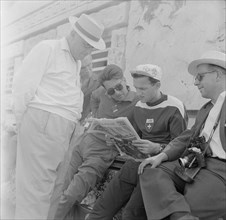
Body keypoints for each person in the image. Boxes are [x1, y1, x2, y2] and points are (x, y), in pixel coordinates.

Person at [12, 13, 106, 219]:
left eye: (92, 47)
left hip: (66, 128)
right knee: (34, 189)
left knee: (56, 187)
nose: (88, 50)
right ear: (72, 34)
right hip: (43, 121)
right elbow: (22, 86)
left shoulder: (77, 62)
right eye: (86, 44)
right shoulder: (48, 48)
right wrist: (22, 122)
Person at [86, 64, 188, 220]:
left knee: (130, 214)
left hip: (159, 166)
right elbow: (135, 136)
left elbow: (182, 146)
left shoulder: (174, 107)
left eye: (143, 89)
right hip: (137, 160)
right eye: (136, 88)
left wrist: (157, 148)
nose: (138, 93)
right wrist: (117, 139)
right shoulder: (139, 106)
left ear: (157, 85)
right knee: (101, 208)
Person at [138, 51, 226, 220]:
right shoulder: (207, 108)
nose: (195, 83)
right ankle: (181, 216)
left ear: (218, 75)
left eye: (200, 77)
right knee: (151, 170)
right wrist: (163, 155)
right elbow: (189, 135)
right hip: (195, 162)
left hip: (219, 169)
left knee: (191, 204)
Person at [53, 64, 140, 219]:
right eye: (111, 91)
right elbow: (93, 96)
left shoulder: (137, 101)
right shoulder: (102, 93)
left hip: (102, 152)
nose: (117, 93)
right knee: (58, 189)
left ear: (125, 80)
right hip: (84, 142)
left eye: (119, 87)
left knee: (71, 194)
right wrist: (96, 115)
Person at [80, 54, 100, 122]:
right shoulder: (70, 83)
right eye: (83, 68)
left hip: (87, 123)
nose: (87, 70)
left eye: (89, 65)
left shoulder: (99, 82)